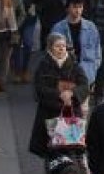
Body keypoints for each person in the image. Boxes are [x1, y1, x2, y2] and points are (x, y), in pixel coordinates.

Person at [27, 32, 90, 161]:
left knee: (72, 149)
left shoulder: (75, 65)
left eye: (63, 46)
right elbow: (40, 89)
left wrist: (72, 93)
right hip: (49, 114)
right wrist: (59, 95)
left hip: (71, 113)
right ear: (50, 48)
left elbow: (84, 86)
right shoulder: (43, 66)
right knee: (51, 151)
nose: (61, 49)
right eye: (57, 46)